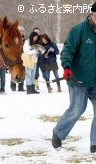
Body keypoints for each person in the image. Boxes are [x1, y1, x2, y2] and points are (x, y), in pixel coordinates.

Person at [52, 3, 96, 153]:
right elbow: (67, 50)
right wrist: (66, 67)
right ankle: (58, 132)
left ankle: (95, 143)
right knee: (77, 109)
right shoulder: (79, 30)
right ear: (91, 15)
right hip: (79, 79)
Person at [10, 26, 25, 92]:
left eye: (22, 31)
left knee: (22, 72)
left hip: (23, 58)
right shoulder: (14, 39)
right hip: (15, 58)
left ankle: (21, 87)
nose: (21, 32)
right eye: (20, 31)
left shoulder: (25, 39)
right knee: (14, 71)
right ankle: (13, 86)